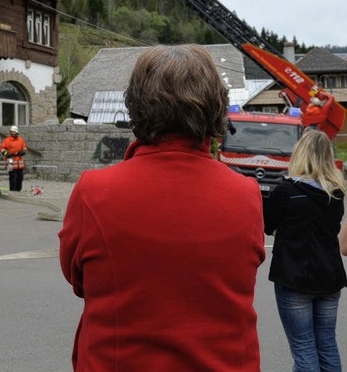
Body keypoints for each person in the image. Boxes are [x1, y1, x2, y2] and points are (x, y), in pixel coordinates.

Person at [58, 44, 265, 372]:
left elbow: (79, 281)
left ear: (136, 107)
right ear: (215, 106)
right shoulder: (246, 193)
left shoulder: (93, 192)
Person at [263, 128, 346, 372]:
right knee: (327, 345)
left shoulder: (286, 191)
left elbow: (268, 226)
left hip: (294, 277)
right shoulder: (337, 193)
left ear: (300, 153)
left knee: (304, 349)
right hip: (330, 278)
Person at [0, 125, 27, 191]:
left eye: (14, 132)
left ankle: (18, 190)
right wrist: (7, 154)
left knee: (20, 177)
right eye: (11, 132)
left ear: (17, 133)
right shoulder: (7, 140)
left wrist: (23, 152)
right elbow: (2, 149)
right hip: (11, 161)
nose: (12, 133)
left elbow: (24, 148)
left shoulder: (21, 140)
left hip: (19, 163)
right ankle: (12, 190)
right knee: (12, 177)